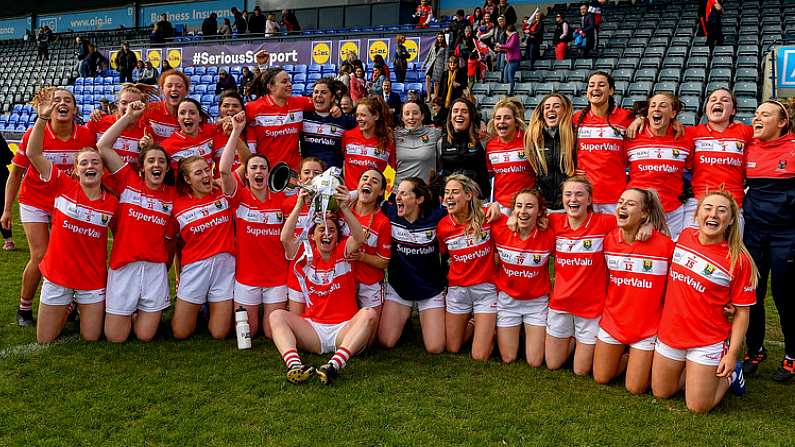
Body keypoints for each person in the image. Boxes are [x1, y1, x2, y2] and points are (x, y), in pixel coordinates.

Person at [652, 191, 757, 413]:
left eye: (722, 211)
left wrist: (732, 355)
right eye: (708, 208)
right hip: (671, 333)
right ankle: (696, 374)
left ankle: (731, 376)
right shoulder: (683, 237)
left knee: (698, 407)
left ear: (730, 221)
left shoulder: (739, 260)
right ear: (697, 214)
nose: (714, 214)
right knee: (661, 392)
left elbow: (742, 313)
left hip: (707, 340)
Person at [3, 88, 96, 327]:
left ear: (75, 109)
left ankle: (69, 303)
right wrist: (6, 209)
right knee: (41, 254)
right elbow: (16, 174)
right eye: (57, 100)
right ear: (48, 107)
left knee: (68, 254)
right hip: (34, 200)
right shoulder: (34, 134)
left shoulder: (86, 136)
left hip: (66, 203)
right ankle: (24, 308)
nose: (62, 103)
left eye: (68, 100)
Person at [24, 108, 116, 343]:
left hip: (92, 279)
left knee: (91, 336)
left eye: (95, 162)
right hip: (58, 275)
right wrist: (43, 118)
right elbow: (33, 153)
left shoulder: (112, 202)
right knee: (45, 339)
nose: (89, 166)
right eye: (83, 163)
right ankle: (66, 305)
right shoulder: (63, 185)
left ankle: (76, 303)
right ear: (75, 169)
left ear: (103, 170)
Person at [272, 180, 377, 385]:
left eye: (331, 230)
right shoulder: (306, 252)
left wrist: (344, 207)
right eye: (321, 229)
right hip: (314, 330)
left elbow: (359, 235)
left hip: (344, 329)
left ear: (338, 238)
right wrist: (298, 206)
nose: (326, 233)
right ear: (312, 235)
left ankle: (334, 365)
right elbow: (285, 238)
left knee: (369, 314)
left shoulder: (343, 252)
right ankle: (295, 365)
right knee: (276, 316)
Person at [96, 100, 176, 343]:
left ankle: (137, 311)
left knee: (144, 336)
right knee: (116, 337)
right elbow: (103, 146)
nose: (157, 165)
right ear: (141, 167)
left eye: (161, 161)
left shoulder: (172, 196)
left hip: (154, 270)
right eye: (151, 160)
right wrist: (128, 118)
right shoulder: (128, 181)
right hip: (124, 267)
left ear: (167, 169)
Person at [593, 188, 674, 394]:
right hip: (613, 321)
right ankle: (630, 356)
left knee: (635, 388)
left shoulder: (665, 246)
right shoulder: (608, 239)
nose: (622, 206)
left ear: (645, 213)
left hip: (647, 327)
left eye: (630, 204)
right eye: (621, 202)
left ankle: (642, 359)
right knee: (601, 378)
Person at [742, 100, 795, 382]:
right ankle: (755, 350)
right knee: (753, 294)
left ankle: (792, 355)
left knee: (786, 296)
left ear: (782, 122)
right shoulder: (748, 147)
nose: (756, 118)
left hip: (787, 234)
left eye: (764, 114)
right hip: (755, 233)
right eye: (755, 114)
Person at [545, 176, 616, 375]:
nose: (573, 199)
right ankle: (573, 338)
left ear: (590, 200)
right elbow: (522, 213)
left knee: (580, 371)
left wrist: (644, 226)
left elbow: (635, 219)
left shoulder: (605, 222)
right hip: (561, 304)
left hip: (591, 309)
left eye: (579, 194)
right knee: (552, 364)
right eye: (568, 194)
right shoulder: (554, 221)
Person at [171, 152, 238, 340]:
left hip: (225, 268)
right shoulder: (178, 205)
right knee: (180, 332)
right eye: (198, 173)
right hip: (195, 268)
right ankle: (198, 307)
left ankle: (207, 307)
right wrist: (178, 274)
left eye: (207, 170)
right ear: (187, 179)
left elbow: (245, 163)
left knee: (219, 333)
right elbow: (176, 244)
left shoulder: (223, 194)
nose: (206, 176)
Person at [378, 177, 447, 352]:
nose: (398, 197)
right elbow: (365, 199)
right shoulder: (390, 212)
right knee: (386, 341)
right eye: (398, 192)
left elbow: (465, 210)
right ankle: (404, 320)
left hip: (430, 289)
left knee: (435, 347)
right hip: (399, 287)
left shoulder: (436, 214)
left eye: (404, 193)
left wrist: (492, 207)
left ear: (419, 199)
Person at [438, 174, 497, 360]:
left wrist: (497, 206)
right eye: (447, 192)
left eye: (455, 192)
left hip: (486, 290)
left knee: (479, 356)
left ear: (469, 195)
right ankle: (474, 322)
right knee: (452, 347)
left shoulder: (488, 216)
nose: (449, 197)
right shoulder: (442, 227)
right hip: (458, 290)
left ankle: (491, 329)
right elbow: (443, 255)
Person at [492, 188, 555, 366]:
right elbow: (477, 210)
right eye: (519, 206)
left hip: (536, 303)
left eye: (529, 206)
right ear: (513, 210)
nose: (523, 211)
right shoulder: (500, 228)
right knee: (508, 358)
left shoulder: (550, 234)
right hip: (508, 302)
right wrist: (494, 205)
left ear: (540, 211)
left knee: (535, 361)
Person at [624, 92, 693, 241]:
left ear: (673, 113)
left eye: (663, 106)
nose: (657, 109)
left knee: (669, 258)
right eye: (653, 106)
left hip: (672, 213)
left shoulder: (685, 137)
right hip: (639, 211)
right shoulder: (632, 135)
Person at [684, 89, 752, 230]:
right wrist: (640, 120)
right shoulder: (692, 133)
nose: (718, 102)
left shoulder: (746, 132)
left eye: (725, 100)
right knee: (692, 250)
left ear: (733, 111)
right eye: (713, 99)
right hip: (699, 203)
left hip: (733, 204)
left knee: (730, 251)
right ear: (707, 108)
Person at [574, 71, 635, 214]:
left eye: (602, 85)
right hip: (584, 196)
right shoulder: (576, 119)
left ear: (611, 90)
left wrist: (641, 119)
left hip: (615, 196)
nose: (595, 88)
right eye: (591, 85)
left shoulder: (626, 117)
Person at [246, 52, 316, 172]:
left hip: (293, 172)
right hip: (267, 173)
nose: (289, 84)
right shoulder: (253, 108)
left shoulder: (299, 103)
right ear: (270, 87)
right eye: (284, 82)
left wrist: (334, 108)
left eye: (289, 81)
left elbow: (322, 103)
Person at [344, 170, 392, 313]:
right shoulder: (342, 210)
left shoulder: (383, 222)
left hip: (370, 283)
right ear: (358, 185)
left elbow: (384, 261)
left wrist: (361, 257)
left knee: (373, 332)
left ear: (380, 191)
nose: (368, 182)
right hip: (344, 279)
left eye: (375, 181)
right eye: (364, 178)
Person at [525, 94, 576, 211]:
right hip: (543, 207)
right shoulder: (533, 137)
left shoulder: (576, 134)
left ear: (565, 110)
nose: (551, 110)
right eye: (547, 107)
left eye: (556, 106)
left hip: (570, 206)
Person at [87, 84, 155, 170]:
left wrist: (147, 150)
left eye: (133, 104)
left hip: (129, 181)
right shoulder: (98, 122)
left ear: (142, 107)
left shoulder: (146, 131)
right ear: (117, 104)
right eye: (124, 103)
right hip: (101, 181)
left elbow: (145, 166)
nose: (128, 107)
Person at [437, 97, 490, 199]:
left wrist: (480, 121)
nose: (459, 114)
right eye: (455, 111)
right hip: (451, 200)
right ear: (450, 117)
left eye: (464, 111)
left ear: (470, 116)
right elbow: (438, 170)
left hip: (477, 200)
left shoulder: (482, 140)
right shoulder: (440, 142)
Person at [485, 98, 532, 213]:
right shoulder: (490, 146)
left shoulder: (528, 141)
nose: (502, 121)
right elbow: (492, 177)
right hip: (502, 207)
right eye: (498, 118)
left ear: (516, 122)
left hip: (526, 205)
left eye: (507, 118)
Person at [341, 96, 395, 190]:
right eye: (357, 115)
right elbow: (344, 164)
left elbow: (391, 171)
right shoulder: (347, 136)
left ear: (376, 116)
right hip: (349, 198)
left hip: (373, 198)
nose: (358, 119)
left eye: (363, 115)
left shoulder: (388, 141)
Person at [301, 78, 356, 169]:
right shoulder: (303, 117)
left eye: (324, 92)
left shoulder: (344, 120)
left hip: (333, 175)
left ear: (332, 98)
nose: (319, 95)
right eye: (316, 92)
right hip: (309, 175)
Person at [395, 100, 441, 185]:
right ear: (402, 118)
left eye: (415, 113)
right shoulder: (394, 136)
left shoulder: (434, 133)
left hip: (425, 192)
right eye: (407, 114)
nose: (411, 117)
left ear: (422, 116)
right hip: (399, 192)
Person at [421, 33, 448, 99]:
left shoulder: (445, 46)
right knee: (427, 78)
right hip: (431, 64)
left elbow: (446, 58)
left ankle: (435, 97)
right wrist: (424, 64)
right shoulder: (433, 45)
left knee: (436, 82)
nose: (440, 38)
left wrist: (445, 67)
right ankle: (428, 96)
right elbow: (429, 55)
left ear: (443, 38)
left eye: (441, 37)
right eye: (439, 37)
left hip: (439, 66)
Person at [1, 135, 14, 250]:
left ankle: (8, 240)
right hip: (2, 175)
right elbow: (9, 157)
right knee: (2, 209)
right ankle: (8, 240)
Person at [497, 25, 520, 90]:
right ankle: (507, 89)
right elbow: (508, 49)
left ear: (508, 31)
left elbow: (510, 46)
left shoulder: (514, 36)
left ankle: (511, 90)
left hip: (513, 60)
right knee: (505, 76)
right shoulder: (511, 37)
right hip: (509, 60)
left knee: (510, 76)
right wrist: (500, 49)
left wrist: (500, 45)